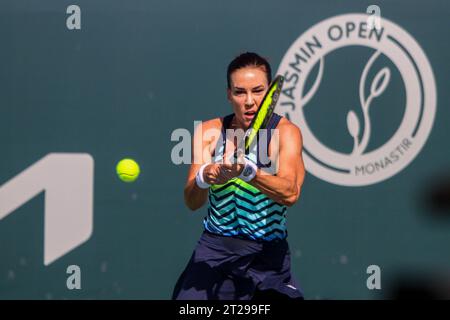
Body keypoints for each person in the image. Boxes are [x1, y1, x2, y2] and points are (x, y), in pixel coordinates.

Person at [172, 52, 306, 300]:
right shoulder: (209, 132)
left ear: (269, 94)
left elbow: (290, 193)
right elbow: (192, 201)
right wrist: (205, 176)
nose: (249, 101)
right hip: (215, 251)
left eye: (257, 91)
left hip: (269, 256)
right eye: (240, 92)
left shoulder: (286, 133)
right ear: (228, 94)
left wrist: (249, 172)